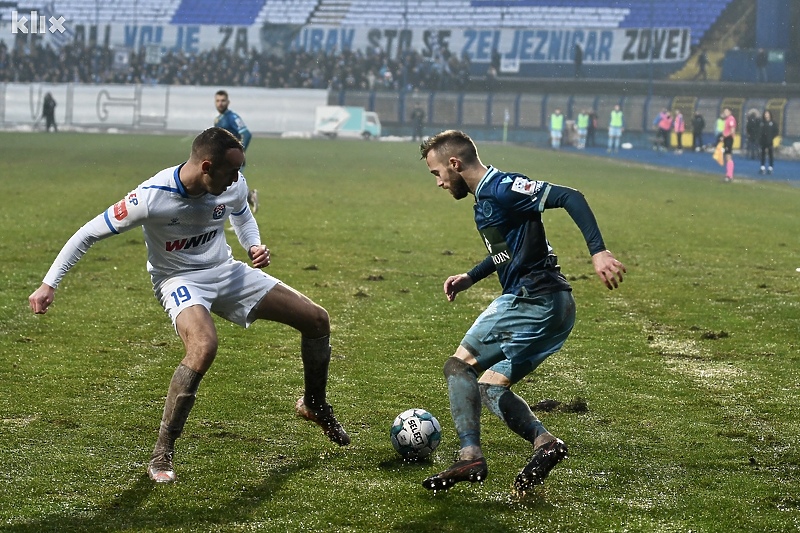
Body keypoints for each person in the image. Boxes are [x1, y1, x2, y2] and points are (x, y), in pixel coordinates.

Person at [28, 127, 350, 484]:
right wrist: (48, 284)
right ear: (207, 166)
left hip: (224, 270)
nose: (238, 179)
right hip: (178, 280)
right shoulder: (152, 197)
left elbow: (241, 212)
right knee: (203, 346)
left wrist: (254, 245)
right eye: (231, 172)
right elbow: (87, 233)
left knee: (316, 319)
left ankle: (314, 404)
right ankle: (161, 454)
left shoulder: (231, 183)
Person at [418, 129, 626, 493]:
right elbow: (504, 253)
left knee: (459, 366)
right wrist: (471, 276)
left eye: (437, 173)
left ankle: (470, 456)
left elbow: (570, 197)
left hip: (535, 300)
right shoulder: (484, 200)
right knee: (490, 388)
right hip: (547, 304)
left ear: (454, 163)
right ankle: (545, 445)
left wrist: (599, 251)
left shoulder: (503, 187)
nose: (438, 182)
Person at [214, 90, 258, 214]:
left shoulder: (232, 117)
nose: (220, 103)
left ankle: (240, 216)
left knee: (229, 189)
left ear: (228, 102)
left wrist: (239, 152)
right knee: (230, 188)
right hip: (224, 160)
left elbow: (246, 134)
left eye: (223, 101)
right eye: (218, 101)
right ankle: (250, 197)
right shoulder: (218, 119)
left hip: (233, 160)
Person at [759, 110, 778, 175]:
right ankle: (762, 167)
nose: (766, 115)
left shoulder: (773, 123)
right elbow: (759, 132)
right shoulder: (762, 123)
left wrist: (771, 137)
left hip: (770, 142)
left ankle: (770, 168)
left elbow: (776, 131)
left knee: (770, 155)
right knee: (763, 154)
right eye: (765, 114)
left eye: (767, 114)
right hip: (763, 141)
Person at [721, 107, 737, 182]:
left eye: (726, 111)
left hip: (729, 139)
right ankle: (728, 174)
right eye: (724, 112)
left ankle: (729, 175)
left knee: (728, 156)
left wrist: (724, 136)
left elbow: (732, 131)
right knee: (727, 156)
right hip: (726, 139)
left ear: (730, 112)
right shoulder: (727, 119)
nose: (725, 113)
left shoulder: (731, 119)